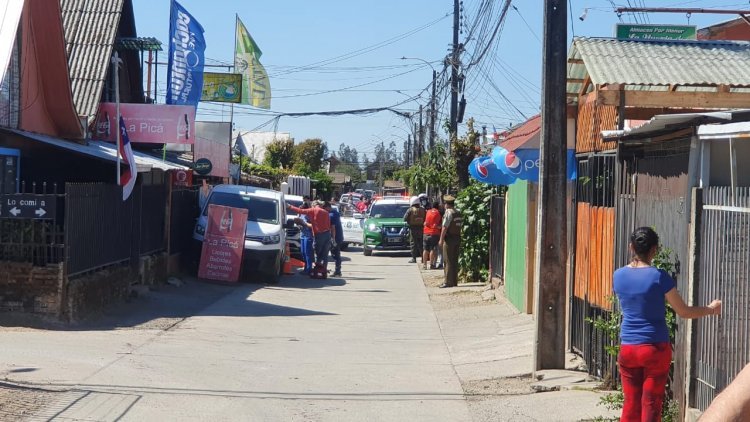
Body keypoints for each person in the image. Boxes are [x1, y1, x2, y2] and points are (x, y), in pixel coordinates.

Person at [614, 227, 721, 422]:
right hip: (655, 349)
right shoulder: (659, 277)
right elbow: (684, 311)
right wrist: (710, 309)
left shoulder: (618, 276)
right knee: (651, 404)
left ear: (631, 247)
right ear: (654, 249)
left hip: (628, 348)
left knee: (630, 403)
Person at [287, 200, 332, 272]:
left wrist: (289, 206)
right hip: (327, 234)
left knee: (317, 253)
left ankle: (315, 269)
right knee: (325, 253)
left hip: (319, 235)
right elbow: (328, 224)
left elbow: (300, 211)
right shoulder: (326, 212)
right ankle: (323, 270)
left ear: (313, 205)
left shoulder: (313, 210)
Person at [438, 195, 462, 288]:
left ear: (447, 204)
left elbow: (445, 227)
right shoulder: (458, 212)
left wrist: (440, 240)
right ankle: (454, 281)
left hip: (449, 239)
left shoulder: (448, 213)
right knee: (454, 260)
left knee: (447, 260)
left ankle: (448, 282)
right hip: (457, 238)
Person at [403, 196, 426, 264]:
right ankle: (423, 258)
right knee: (421, 244)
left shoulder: (410, 210)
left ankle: (414, 258)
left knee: (413, 243)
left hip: (413, 229)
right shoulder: (423, 210)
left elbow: (405, 218)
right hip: (421, 229)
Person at [294, 203, 314, 274]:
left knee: (307, 253)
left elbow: (313, 225)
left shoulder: (309, 215)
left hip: (308, 235)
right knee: (303, 252)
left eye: (301, 209)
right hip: (302, 234)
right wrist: (298, 224)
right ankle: (305, 267)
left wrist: (304, 223)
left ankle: (309, 269)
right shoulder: (300, 214)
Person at [423, 200, 442, 271]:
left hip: (426, 233)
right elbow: (440, 224)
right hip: (434, 233)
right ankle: (431, 264)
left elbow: (425, 222)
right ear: (438, 207)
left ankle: (424, 265)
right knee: (432, 249)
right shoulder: (438, 213)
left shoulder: (428, 211)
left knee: (425, 249)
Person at [326, 202, 343, 277]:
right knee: (335, 254)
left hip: (336, 237)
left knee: (335, 254)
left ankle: (338, 271)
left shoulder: (332, 214)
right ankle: (337, 271)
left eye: (325, 208)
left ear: (328, 207)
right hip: (337, 237)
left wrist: (333, 239)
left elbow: (333, 228)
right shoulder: (335, 212)